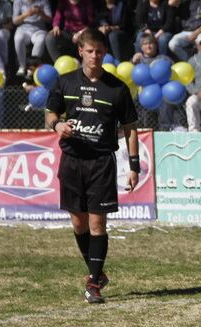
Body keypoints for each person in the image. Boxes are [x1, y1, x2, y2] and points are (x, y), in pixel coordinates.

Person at [45, 28, 139, 304]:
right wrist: (57, 125)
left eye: (99, 51)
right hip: (72, 161)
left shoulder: (117, 88)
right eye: (90, 51)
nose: (94, 56)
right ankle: (97, 272)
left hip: (101, 163)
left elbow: (131, 129)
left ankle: (93, 284)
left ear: (105, 53)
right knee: (78, 223)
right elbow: (50, 113)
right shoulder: (65, 83)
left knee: (98, 223)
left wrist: (134, 166)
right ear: (81, 52)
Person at [132, 33, 182, 130]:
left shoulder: (164, 59)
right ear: (141, 47)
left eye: (151, 43)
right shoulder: (138, 60)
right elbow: (130, 76)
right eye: (145, 44)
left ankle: (165, 130)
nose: (149, 46)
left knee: (165, 103)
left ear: (156, 45)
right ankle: (145, 128)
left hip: (163, 95)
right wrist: (133, 62)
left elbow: (175, 75)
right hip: (144, 95)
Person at [12, 0, 52, 76]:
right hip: (23, 29)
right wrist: (27, 14)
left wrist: (40, 13)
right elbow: (15, 21)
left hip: (39, 29)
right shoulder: (18, 1)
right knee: (18, 38)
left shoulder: (44, 1)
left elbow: (50, 20)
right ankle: (22, 66)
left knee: (41, 40)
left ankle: (33, 67)